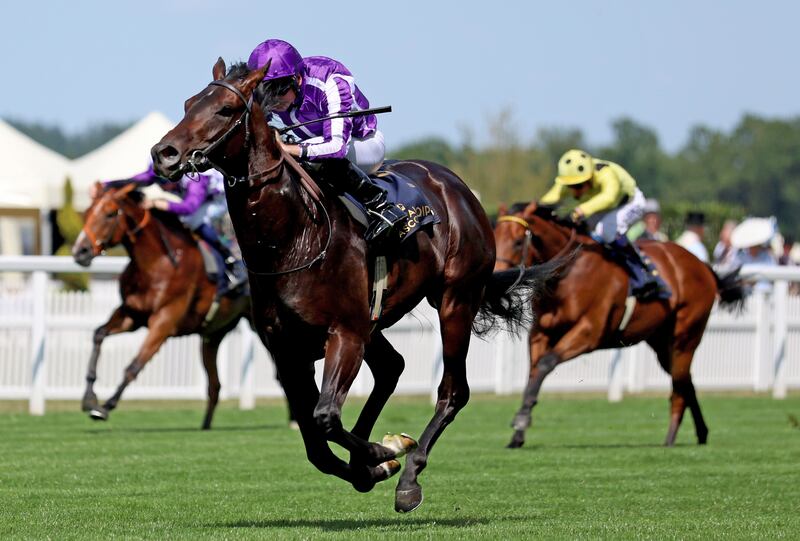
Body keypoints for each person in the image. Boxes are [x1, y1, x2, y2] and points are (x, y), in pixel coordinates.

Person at [246, 38, 406, 245]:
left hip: (361, 144)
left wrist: (286, 148)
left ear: (298, 79)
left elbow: (336, 147)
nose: (274, 102)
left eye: (279, 93)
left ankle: (381, 206)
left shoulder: (330, 81)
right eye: (267, 95)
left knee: (319, 160)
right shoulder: (274, 93)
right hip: (316, 146)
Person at [540, 149, 667, 300]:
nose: (574, 192)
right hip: (605, 208)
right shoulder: (573, 178)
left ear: (590, 178)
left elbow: (609, 197)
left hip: (630, 203)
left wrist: (582, 209)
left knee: (605, 231)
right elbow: (552, 197)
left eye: (578, 186)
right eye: (570, 187)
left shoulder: (605, 174)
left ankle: (643, 270)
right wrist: (533, 208)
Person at [96, 165, 244, 293]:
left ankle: (233, 263)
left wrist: (159, 204)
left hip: (220, 199)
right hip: (200, 199)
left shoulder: (195, 178)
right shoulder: (165, 172)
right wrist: (105, 184)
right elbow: (136, 180)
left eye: (163, 180)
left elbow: (190, 207)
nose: (160, 184)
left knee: (193, 221)